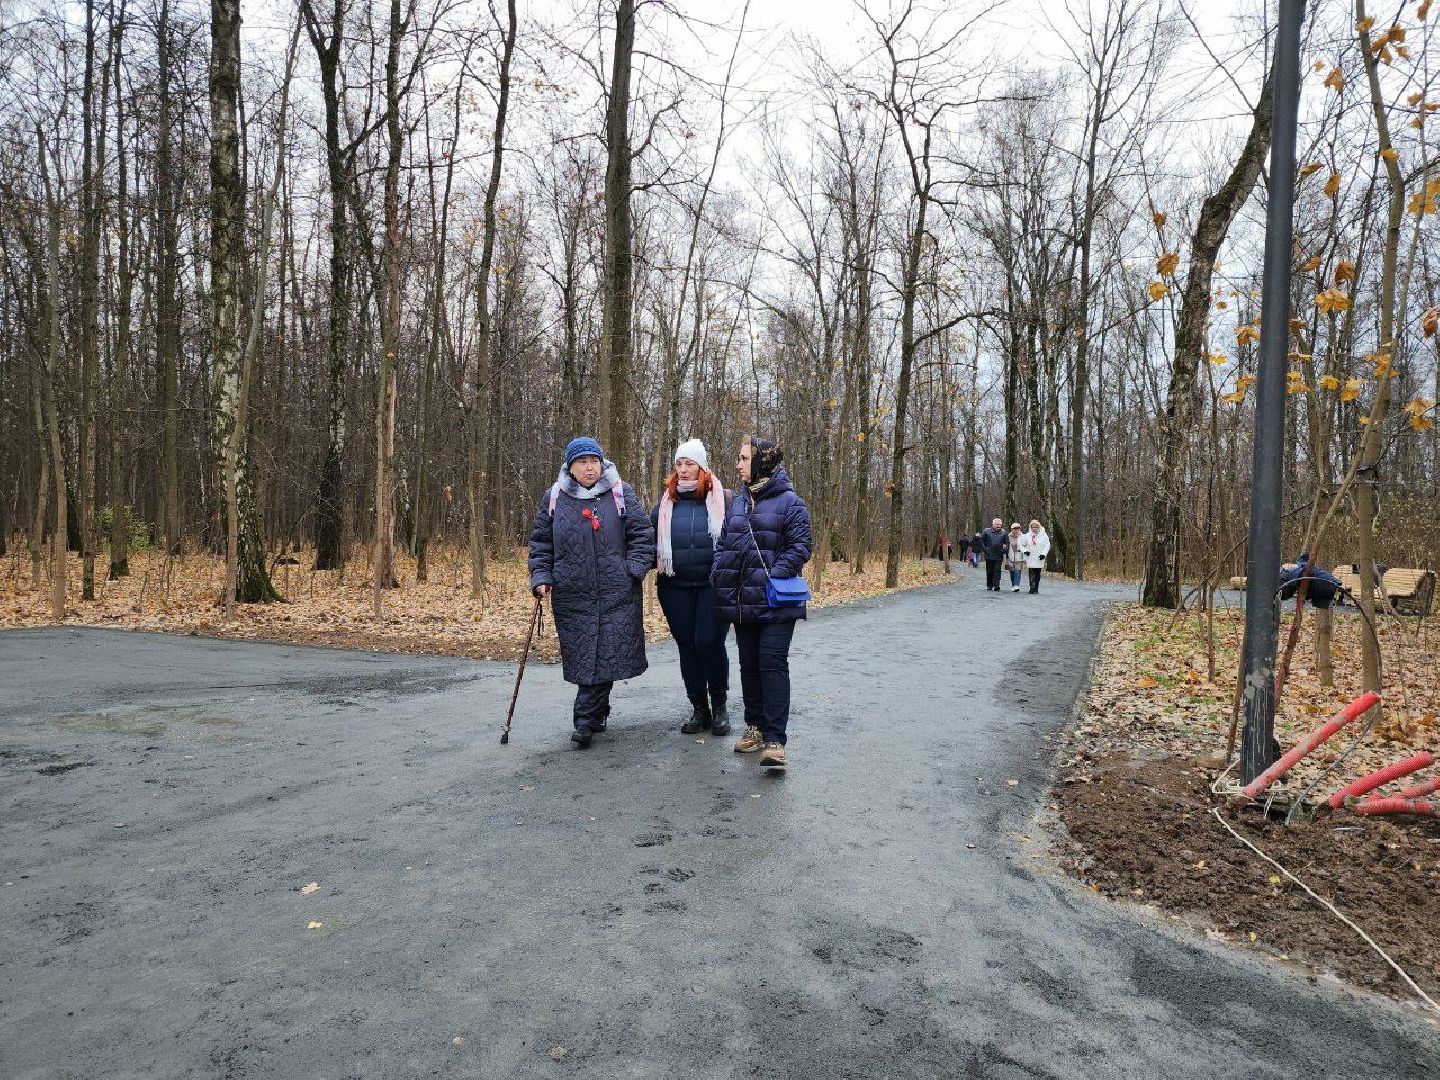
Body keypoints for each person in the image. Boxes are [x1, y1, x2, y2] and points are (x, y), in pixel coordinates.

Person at [528, 437, 655, 748]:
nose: (589, 467)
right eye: (582, 462)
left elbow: (642, 535)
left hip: (617, 593)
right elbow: (541, 542)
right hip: (573, 594)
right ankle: (596, 714)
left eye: (594, 461)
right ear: (570, 467)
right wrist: (541, 576)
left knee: (607, 651)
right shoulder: (555, 497)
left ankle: (584, 720)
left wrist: (632, 571)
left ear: (602, 463)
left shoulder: (620, 492)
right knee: (587, 653)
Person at [711, 437, 812, 771]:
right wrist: (718, 572)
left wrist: (773, 577)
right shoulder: (737, 503)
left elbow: (801, 547)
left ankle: (774, 739)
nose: (738, 464)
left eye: (744, 458)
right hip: (742, 601)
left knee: (771, 663)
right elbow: (723, 544)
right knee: (749, 665)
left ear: (761, 462)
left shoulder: (791, 503)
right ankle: (754, 727)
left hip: (775, 601)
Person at [652, 438, 732, 736]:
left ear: (702, 467)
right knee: (687, 647)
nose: (683, 469)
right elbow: (645, 542)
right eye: (679, 464)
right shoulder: (664, 504)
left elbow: (739, 539)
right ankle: (700, 709)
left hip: (714, 585)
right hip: (676, 587)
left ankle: (720, 705)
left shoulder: (725, 500)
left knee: (709, 642)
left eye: (690, 464)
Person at [1019, 519, 1051, 594]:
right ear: (1030, 527)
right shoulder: (1027, 535)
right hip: (1031, 556)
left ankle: (1036, 588)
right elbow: (1021, 544)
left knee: (1037, 572)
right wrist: (1025, 551)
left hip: (1039, 556)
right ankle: (1032, 588)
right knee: (1031, 572)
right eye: (1033, 527)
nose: (1034, 528)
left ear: (1039, 527)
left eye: (1036, 527)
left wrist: (1043, 554)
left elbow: (1047, 545)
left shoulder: (1044, 535)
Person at [980, 518, 1010, 591]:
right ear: (993, 524)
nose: (998, 526)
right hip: (989, 555)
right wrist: (985, 550)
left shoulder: (1004, 533)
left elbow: (1007, 542)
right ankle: (989, 585)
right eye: (997, 524)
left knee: (997, 570)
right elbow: (981, 541)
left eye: (1000, 524)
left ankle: (997, 585)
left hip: (999, 555)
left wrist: (1005, 550)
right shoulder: (986, 531)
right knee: (989, 571)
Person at [1006, 523, 1024, 592]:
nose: (1016, 530)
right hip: (1010, 555)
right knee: (1012, 571)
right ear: (1012, 529)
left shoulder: (1023, 536)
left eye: (1018, 529)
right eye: (1015, 529)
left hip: (1019, 556)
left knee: (1017, 570)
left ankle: (1016, 585)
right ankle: (1013, 585)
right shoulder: (1008, 536)